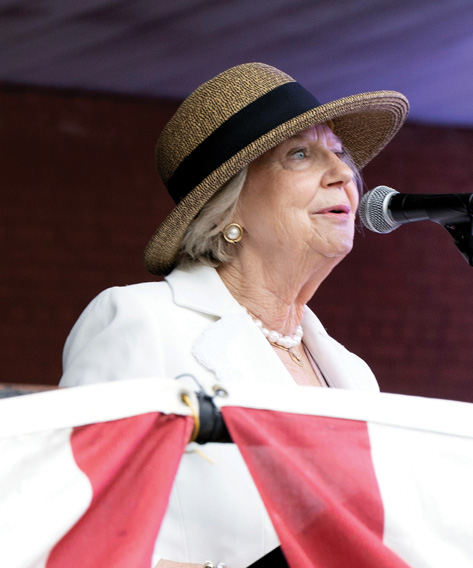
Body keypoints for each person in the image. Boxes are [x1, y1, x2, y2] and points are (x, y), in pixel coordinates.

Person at [59, 62, 408, 567]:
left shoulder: (353, 373)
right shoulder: (142, 322)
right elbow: (77, 527)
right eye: (300, 154)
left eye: (340, 153)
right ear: (230, 205)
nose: (342, 175)